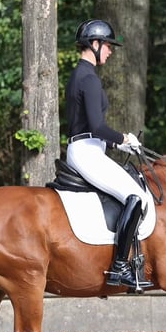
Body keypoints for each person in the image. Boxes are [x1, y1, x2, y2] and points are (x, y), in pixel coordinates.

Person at [65, 19, 152, 290]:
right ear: (94, 44)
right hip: (86, 152)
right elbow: (97, 127)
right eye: (108, 46)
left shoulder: (81, 75)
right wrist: (124, 138)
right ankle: (120, 267)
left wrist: (116, 146)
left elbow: (90, 129)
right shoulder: (88, 78)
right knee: (135, 198)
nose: (111, 51)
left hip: (89, 147)